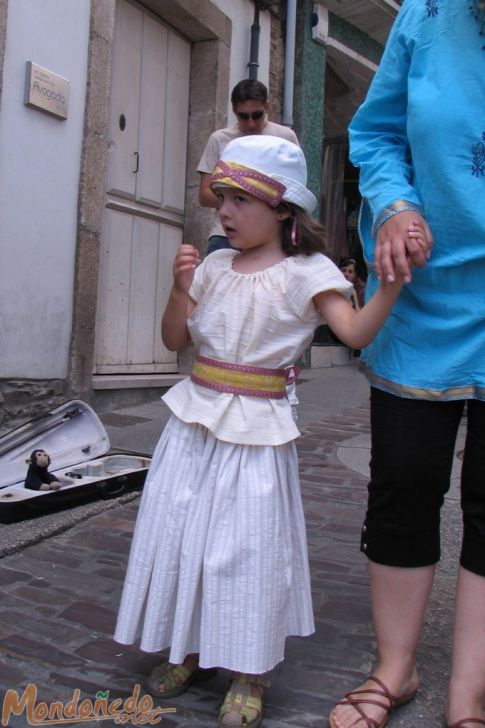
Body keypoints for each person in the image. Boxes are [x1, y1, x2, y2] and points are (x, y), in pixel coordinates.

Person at [114, 135, 411, 728]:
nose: (223, 210)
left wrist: (392, 285)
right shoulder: (216, 266)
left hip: (256, 436)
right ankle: (189, 648)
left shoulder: (306, 272)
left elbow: (352, 333)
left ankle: (250, 669)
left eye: (239, 200)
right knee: (183, 537)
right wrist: (179, 292)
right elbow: (176, 339)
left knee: (246, 552)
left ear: (282, 209)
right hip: (193, 425)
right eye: (221, 197)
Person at [329, 3, 485, 728]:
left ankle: (470, 694)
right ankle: (395, 669)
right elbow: (377, 131)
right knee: (402, 485)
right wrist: (392, 205)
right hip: (420, 292)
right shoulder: (426, 13)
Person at [197, 78, 299, 254]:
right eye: (244, 116)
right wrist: (243, 201)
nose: (251, 123)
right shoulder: (219, 139)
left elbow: (296, 190)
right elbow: (205, 194)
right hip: (226, 235)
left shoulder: (285, 137)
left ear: (266, 107)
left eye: (257, 115)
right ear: (234, 111)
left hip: (271, 235)